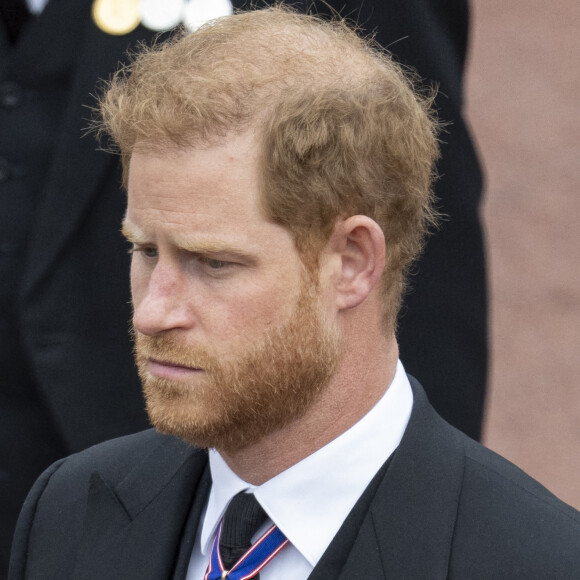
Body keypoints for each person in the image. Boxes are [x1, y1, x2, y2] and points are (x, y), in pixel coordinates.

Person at [9, 7, 579, 580]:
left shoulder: (538, 562)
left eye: (214, 262)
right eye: (146, 251)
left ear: (353, 263)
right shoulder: (69, 512)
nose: (154, 312)